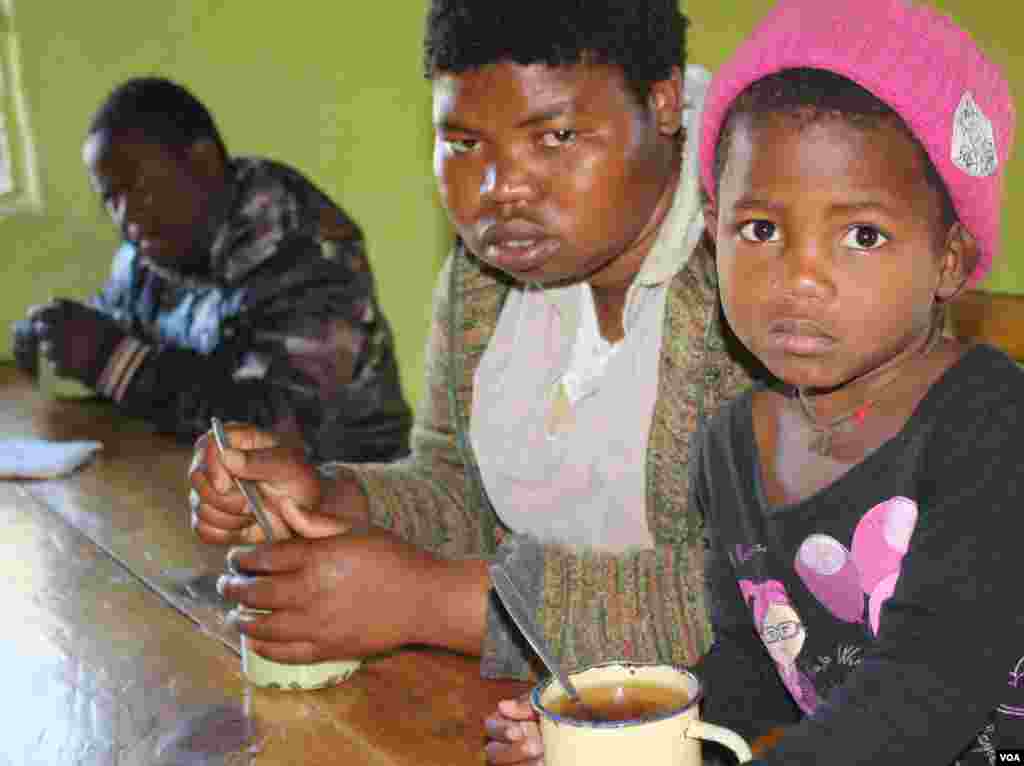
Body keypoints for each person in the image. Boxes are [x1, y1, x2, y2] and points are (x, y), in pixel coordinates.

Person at [189, 0, 761, 737]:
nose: (499, 188)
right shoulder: (488, 276)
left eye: (555, 136)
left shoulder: (762, 261)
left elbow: (759, 593)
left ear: (661, 102)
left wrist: (431, 602)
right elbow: (459, 488)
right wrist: (329, 496)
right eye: (462, 143)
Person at [484, 0, 1022, 762]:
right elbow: (765, 666)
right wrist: (623, 736)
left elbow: (926, 689)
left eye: (861, 235)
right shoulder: (731, 449)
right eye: (761, 229)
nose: (800, 276)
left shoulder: (993, 424)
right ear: (714, 233)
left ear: (950, 262)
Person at [11, 77, 412, 464]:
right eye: (111, 198)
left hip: (351, 494)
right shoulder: (153, 243)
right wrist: (59, 339)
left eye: (140, 187)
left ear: (202, 162)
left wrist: (110, 360)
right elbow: (119, 326)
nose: (126, 215)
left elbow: (275, 428)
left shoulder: (302, 246)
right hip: (194, 478)